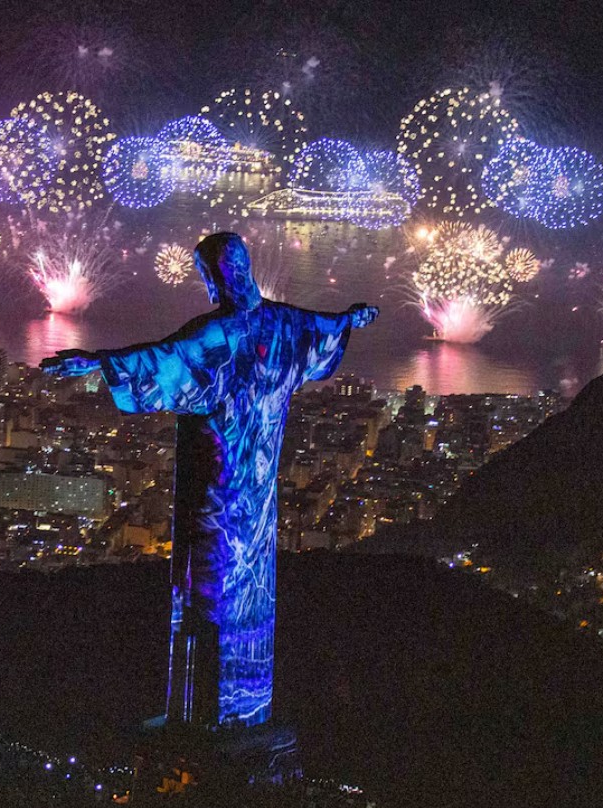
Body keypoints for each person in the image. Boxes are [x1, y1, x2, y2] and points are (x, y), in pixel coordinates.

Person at [42, 232, 377, 728]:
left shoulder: (216, 336)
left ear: (215, 275)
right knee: (251, 588)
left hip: (215, 490)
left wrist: (96, 361)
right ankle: (248, 706)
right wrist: (351, 319)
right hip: (260, 496)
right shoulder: (286, 325)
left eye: (207, 273)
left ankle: (205, 719)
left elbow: (162, 360)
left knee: (206, 589)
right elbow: (324, 331)